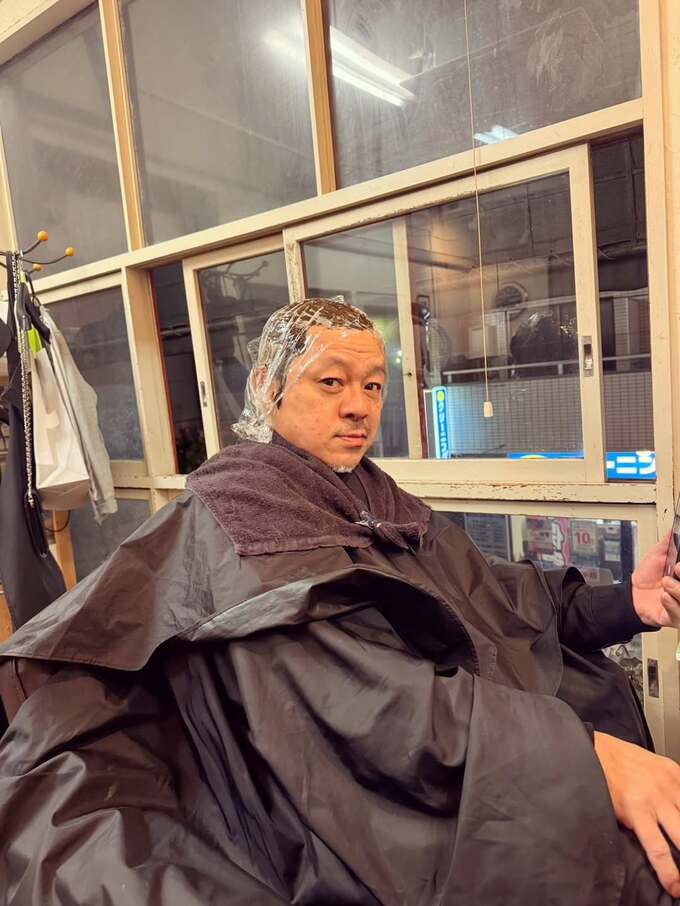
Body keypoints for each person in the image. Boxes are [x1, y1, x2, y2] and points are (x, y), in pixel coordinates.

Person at [0, 296, 679, 906]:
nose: (359, 406)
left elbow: (491, 598)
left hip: (466, 738)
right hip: (336, 796)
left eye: (373, 385)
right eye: (331, 383)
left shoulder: (371, 496)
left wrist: (626, 602)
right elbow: (366, 703)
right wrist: (580, 757)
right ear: (266, 387)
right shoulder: (249, 515)